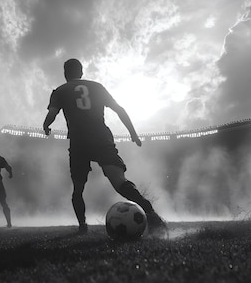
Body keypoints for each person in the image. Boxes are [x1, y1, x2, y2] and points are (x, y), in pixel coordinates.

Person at [42, 58, 167, 235]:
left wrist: (46, 125)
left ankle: (82, 226)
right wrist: (133, 133)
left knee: (78, 189)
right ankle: (151, 214)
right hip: (101, 137)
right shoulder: (97, 87)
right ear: (81, 72)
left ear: (65, 73)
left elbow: (52, 113)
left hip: (79, 142)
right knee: (119, 182)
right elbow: (119, 109)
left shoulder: (60, 91)